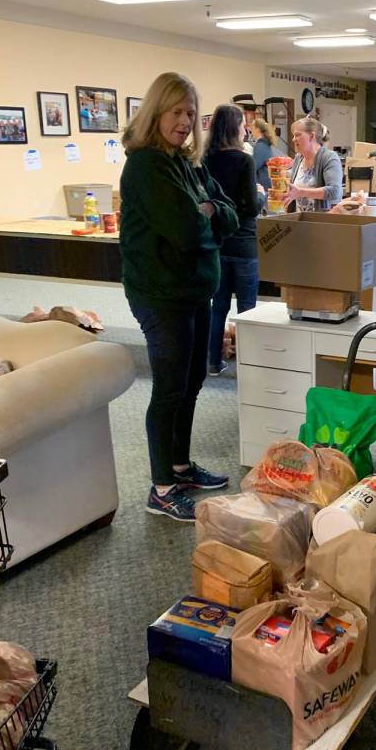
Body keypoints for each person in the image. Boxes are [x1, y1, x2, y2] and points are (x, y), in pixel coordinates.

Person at [119, 71, 239, 522]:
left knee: (191, 382)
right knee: (169, 387)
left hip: (193, 290)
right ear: (156, 112)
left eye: (191, 112)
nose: (185, 121)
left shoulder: (186, 162)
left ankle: (180, 465)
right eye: (176, 112)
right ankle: (161, 487)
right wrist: (206, 215)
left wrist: (208, 211)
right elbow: (189, 232)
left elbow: (233, 209)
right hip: (160, 293)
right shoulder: (147, 165)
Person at [204, 104, 266, 376]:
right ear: (234, 128)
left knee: (218, 307)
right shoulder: (244, 160)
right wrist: (261, 194)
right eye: (243, 125)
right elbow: (252, 207)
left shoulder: (206, 159)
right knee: (247, 309)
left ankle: (213, 363)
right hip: (244, 244)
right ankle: (248, 368)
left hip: (217, 243)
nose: (246, 130)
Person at [282, 117, 343, 212]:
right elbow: (294, 192)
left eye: (297, 135)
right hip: (300, 221)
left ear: (311, 136)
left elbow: (334, 191)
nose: (293, 139)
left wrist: (301, 192)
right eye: (293, 135)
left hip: (320, 223)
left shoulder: (329, 157)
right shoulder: (298, 158)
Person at [249, 118, 281, 191]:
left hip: (263, 186)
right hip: (268, 183)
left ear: (257, 129)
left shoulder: (260, 146)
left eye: (252, 128)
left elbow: (253, 166)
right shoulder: (266, 144)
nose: (251, 131)